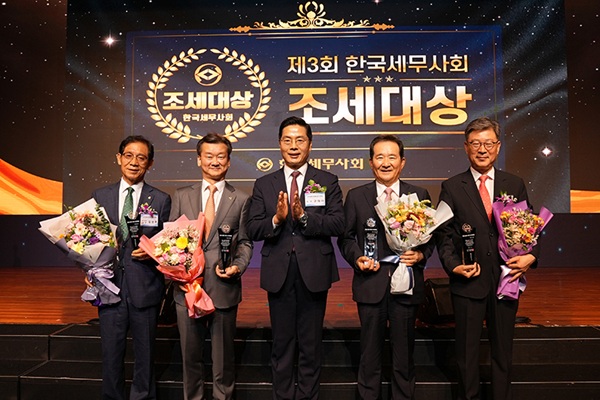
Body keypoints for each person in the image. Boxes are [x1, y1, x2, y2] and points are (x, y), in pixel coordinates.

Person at [434, 117, 539, 400]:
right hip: (469, 280)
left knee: (503, 351)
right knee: (466, 353)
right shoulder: (452, 186)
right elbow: (444, 235)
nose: (483, 149)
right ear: (466, 147)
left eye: (488, 143)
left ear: (498, 146)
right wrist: (453, 265)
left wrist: (531, 256)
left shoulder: (513, 183)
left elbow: (530, 228)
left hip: (506, 278)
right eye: (476, 143)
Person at [246, 116, 345, 400]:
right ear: (279, 144)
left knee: (311, 343)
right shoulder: (264, 183)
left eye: (300, 140)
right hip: (279, 271)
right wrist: (277, 219)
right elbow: (253, 228)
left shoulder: (327, 181)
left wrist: (304, 218)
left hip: (314, 270)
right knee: (282, 342)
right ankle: (283, 395)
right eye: (287, 140)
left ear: (310, 145)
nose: (293, 146)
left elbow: (338, 223)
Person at [337, 135, 434, 400]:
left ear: (402, 162)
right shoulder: (357, 196)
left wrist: (420, 254)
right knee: (369, 356)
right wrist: (357, 258)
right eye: (379, 157)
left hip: (407, 284)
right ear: (371, 163)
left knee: (404, 356)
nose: (386, 163)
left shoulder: (419, 195)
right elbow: (346, 238)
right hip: (371, 285)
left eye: (392, 157)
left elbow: (432, 238)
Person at [169, 133, 253, 400]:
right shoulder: (181, 195)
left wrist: (237, 266)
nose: (214, 161)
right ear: (199, 159)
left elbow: (245, 242)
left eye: (220, 156)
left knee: (223, 360)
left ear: (228, 161)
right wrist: (178, 269)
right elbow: (170, 240)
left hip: (224, 288)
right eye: (209, 156)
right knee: (190, 357)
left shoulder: (241, 199)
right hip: (187, 289)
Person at [92, 135, 171, 400]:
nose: (134, 162)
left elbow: (168, 243)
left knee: (145, 355)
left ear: (150, 163)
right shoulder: (100, 196)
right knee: (111, 354)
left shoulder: (161, 199)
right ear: (119, 158)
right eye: (128, 155)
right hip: (109, 286)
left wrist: (152, 252)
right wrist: (90, 269)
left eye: (141, 157)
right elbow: (90, 240)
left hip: (144, 286)